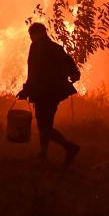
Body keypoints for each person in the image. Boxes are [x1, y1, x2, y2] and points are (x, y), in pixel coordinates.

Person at [16, 23, 81, 165]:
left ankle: (69, 147)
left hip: (46, 92)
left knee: (44, 126)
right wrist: (74, 73)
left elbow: (35, 73)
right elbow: (67, 60)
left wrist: (26, 90)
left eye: (32, 34)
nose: (31, 37)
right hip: (52, 91)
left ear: (38, 33)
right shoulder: (49, 46)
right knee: (45, 123)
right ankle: (43, 154)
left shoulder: (40, 48)